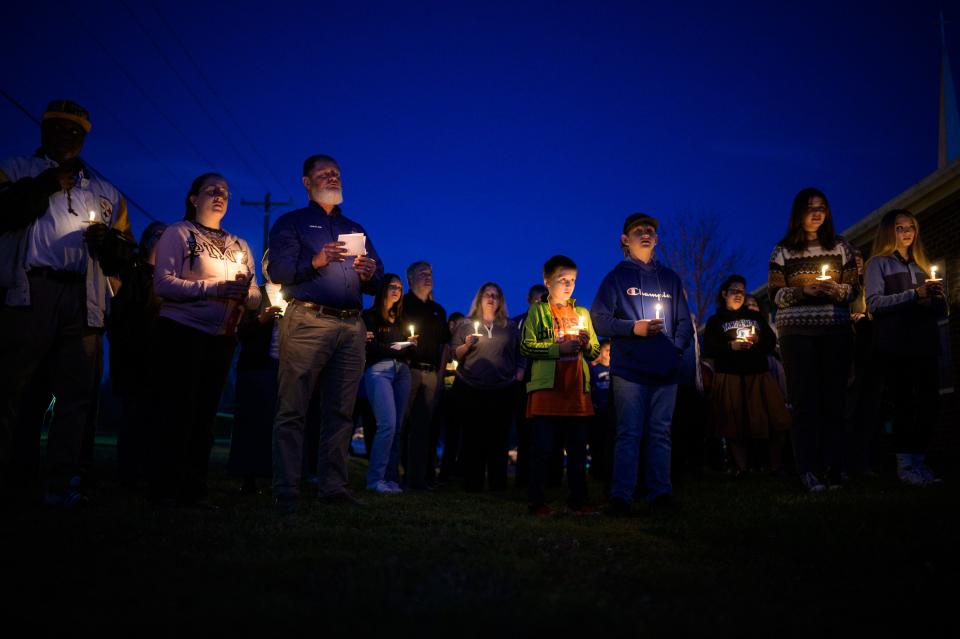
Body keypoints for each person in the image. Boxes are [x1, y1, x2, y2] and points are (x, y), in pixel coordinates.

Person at [0, 99, 133, 506]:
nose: (65, 137)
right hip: (31, 290)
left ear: (84, 138)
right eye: (57, 128)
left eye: (74, 132)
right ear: (43, 131)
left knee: (76, 394)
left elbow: (125, 255)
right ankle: (11, 479)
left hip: (83, 296)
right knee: (12, 389)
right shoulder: (17, 170)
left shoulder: (105, 190)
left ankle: (61, 482)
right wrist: (46, 184)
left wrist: (108, 244)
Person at [268, 154, 382, 513]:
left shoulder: (355, 228)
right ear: (306, 182)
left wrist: (369, 273)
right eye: (324, 173)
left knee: (341, 411)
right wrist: (315, 262)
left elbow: (379, 282)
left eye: (336, 173)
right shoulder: (293, 223)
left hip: (351, 326)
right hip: (308, 321)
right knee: (293, 408)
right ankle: (286, 487)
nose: (332, 177)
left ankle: (333, 486)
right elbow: (280, 271)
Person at [149, 173, 260, 506]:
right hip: (182, 332)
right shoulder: (178, 234)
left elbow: (255, 296)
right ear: (193, 198)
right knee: (179, 410)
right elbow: (163, 285)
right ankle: (167, 486)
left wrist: (246, 293)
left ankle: (195, 487)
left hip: (222, 337)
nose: (219, 195)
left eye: (224, 191)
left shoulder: (240, 245)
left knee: (205, 415)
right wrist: (213, 289)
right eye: (211, 190)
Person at [591, 213, 692, 515]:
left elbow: (684, 322)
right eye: (638, 231)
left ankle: (660, 493)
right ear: (625, 239)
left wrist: (673, 351)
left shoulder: (670, 279)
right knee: (629, 432)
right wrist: (634, 328)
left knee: (661, 432)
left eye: (650, 231)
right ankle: (622, 495)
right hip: (630, 371)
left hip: (665, 371)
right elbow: (599, 319)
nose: (645, 234)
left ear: (657, 239)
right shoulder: (616, 278)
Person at [768, 187, 858, 492]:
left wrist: (835, 289)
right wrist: (802, 292)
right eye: (810, 208)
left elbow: (853, 290)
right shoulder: (783, 251)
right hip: (797, 333)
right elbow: (775, 295)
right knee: (805, 402)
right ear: (798, 214)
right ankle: (808, 469)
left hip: (834, 331)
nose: (817, 213)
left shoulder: (841, 247)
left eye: (822, 207)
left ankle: (834, 467)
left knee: (834, 400)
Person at [864, 209, 947, 485]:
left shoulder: (921, 266)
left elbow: (939, 312)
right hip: (897, 345)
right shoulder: (879, 264)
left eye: (910, 227)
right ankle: (904, 464)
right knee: (903, 404)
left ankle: (920, 461)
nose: (907, 232)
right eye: (900, 228)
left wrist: (936, 298)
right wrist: (914, 294)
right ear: (889, 231)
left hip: (924, 344)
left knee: (929, 404)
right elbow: (874, 304)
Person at [520, 255, 601, 515]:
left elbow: (595, 351)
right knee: (542, 448)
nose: (568, 285)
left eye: (573, 280)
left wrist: (587, 344)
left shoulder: (582, 313)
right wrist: (558, 348)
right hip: (547, 389)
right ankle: (537, 500)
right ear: (547, 281)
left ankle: (578, 499)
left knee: (577, 449)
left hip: (576, 390)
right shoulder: (537, 311)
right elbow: (526, 346)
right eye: (562, 280)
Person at [701, 275, 791, 475]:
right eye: (734, 291)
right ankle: (742, 469)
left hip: (758, 374)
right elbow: (709, 348)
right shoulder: (716, 321)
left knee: (777, 420)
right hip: (729, 376)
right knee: (734, 427)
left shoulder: (756, 318)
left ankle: (774, 466)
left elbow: (769, 342)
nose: (738, 295)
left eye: (742, 291)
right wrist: (729, 346)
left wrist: (757, 342)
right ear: (724, 294)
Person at [108, 221, 167, 488]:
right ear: (145, 241)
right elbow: (120, 312)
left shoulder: (171, 277)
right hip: (133, 353)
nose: (161, 240)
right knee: (133, 414)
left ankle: (151, 470)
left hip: (160, 355)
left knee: (156, 416)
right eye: (156, 235)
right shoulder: (131, 271)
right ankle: (128, 473)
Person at [451, 282, 520, 492]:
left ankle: (498, 485)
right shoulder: (466, 324)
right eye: (487, 295)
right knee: (473, 439)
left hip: (502, 389)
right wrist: (467, 345)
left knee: (499, 439)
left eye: (495, 295)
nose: (491, 298)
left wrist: (520, 372)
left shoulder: (509, 327)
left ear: (500, 301)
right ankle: (473, 484)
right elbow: (455, 354)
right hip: (472, 388)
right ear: (479, 299)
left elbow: (521, 353)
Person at [228, 252, 285, 495]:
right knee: (251, 423)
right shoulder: (255, 295)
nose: (274, 266)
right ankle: (249, 477)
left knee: (279, 424)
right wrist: (261, 319)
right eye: (269, 262)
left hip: (285, 368)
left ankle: (278, 476)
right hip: (256, 366)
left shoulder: (296, 298)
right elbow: (239, 330)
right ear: (263, 268)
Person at [362, 274, 415, 494]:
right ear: (383, 289)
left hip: (402, 371)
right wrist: (391, 347)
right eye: (392, 286)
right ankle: (375, 479)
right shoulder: (370, 316)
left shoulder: (401, 318)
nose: (397, 290)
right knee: (387, 425)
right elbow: (370, 347)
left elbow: (409, 349)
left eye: (400, 287)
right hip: (379, 370)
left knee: (397, 429)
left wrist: (409, 344)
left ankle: (391, 478)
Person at [401, 261, 449, 490]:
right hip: (408, 370)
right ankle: (392, 475)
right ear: (410, 279)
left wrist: (440, 375)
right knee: (400, 425)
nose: (428, 277)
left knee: (423, 428)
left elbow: (444, 346)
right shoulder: (402, 305)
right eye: (422, 274)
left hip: (430, 374)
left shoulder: (438, 311)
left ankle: (417, 479)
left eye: (430, 273)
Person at [588, 338, 613, 486]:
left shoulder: (617, 371)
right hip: (598, 413)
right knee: (597, 443)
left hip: (613, 414)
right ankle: (596, 471)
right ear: (601, 352)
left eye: (611, 351)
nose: (609, 353)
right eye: (606, 350)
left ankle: (609, 471)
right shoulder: (594, 369)